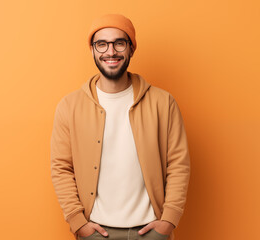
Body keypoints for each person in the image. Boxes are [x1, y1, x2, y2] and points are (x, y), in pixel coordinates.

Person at [50, 14, 190, 240]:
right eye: (102, 44)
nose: (111, 52)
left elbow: (178, 163)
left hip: (152, 231)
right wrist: (78, 223)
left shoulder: (163, 103)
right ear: (93, 50)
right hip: (94, 232)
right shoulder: (69, 106)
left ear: (131, 49)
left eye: (119, 43)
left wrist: (168, 220)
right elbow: (61, 168)